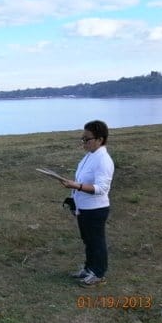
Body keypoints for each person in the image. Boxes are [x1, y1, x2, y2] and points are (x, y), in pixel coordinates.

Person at [60, 120, 114, 287]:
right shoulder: (90, 156)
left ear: (100, 139)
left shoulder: (103, 160)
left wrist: (77, 186)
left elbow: (102, 188)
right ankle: (89, 268)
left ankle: (98, 273)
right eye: (83, 139)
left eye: (87, 139)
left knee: (96, 241)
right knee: (88, 240)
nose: (83, 142)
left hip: (96, 209)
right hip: (84, 207)